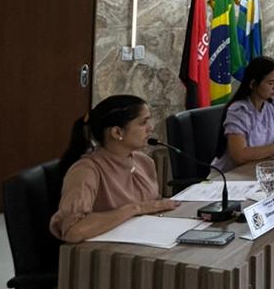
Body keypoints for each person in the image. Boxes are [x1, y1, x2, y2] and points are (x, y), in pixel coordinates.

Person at [51, 95, 178, 243]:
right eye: (143, 123)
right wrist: (134, 209)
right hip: (106, 252)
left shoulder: (144, 162)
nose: (150, 128)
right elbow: (73, 231)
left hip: (145, 241)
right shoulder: (86, 170)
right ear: (117, 132)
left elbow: (153, 205)